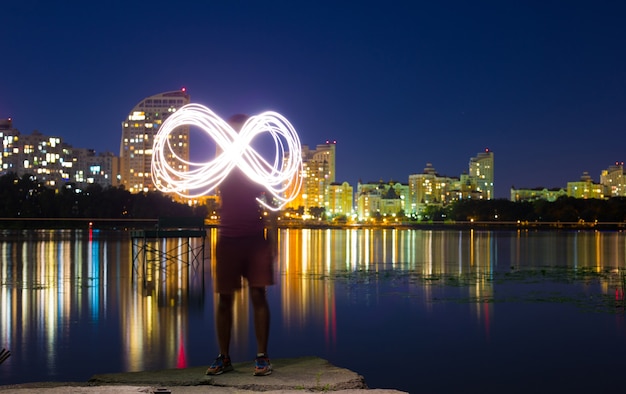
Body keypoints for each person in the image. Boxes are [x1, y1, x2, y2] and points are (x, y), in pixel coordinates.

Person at [206, 114, 274, 377]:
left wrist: (273, 240)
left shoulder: (256, 165)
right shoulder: (221, 163)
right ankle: (224, 357)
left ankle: (262, 357)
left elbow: (272, 204)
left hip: (255, 239)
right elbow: (212, 187)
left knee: (258, 295)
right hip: (228, 239)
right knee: (225, 299)